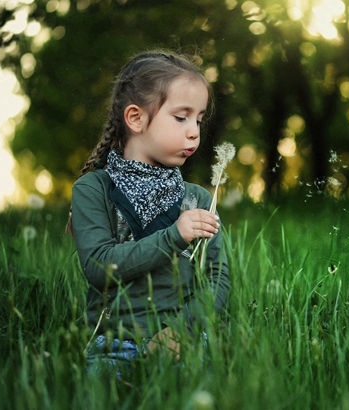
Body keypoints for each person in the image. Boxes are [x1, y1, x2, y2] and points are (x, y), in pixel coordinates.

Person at [67, 51, 229, 374]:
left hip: (183, 338)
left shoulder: (197, 198)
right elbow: (100, 268)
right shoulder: (92, 190)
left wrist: (182, 330)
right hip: (114, 340)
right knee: (102, 385)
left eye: (198, 119)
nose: (195, 131)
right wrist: (174, 236)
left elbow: (217, 278)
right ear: (136, 118)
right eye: (181, 117)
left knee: (194, 388)